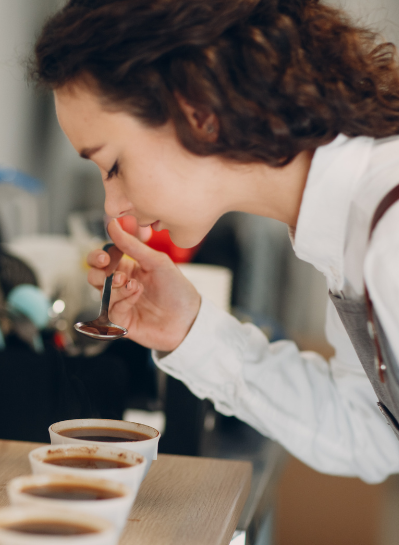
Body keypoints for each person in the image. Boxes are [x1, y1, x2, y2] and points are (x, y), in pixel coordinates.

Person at [30, 0, 399, 482]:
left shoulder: (389, 231)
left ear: (199, 111)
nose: (112, 209)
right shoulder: (350, 227)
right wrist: (188, 328)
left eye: (113, 165)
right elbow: (372, 435)